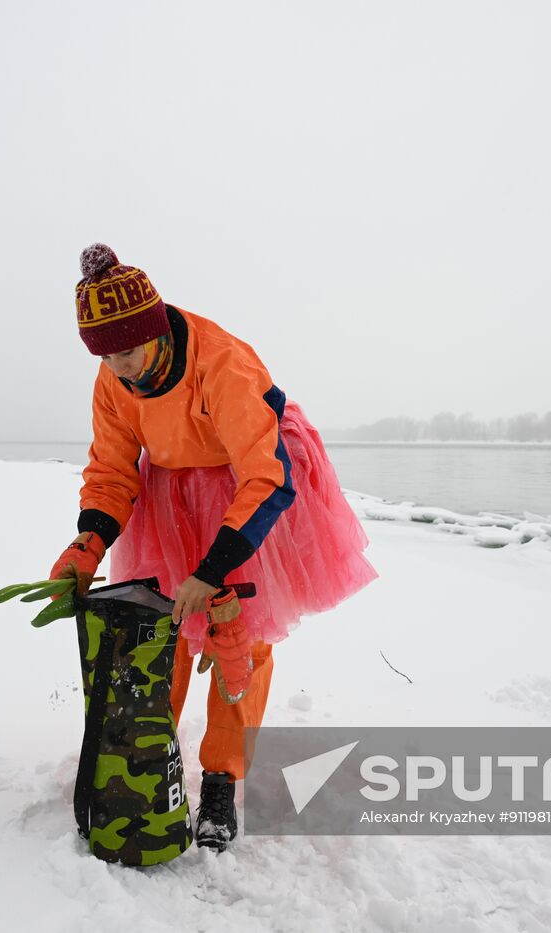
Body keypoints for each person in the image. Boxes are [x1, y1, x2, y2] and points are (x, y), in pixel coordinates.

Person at [50, 243, 376, 851]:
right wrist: (86, 546)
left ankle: (223, 776)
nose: (117, 367)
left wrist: (213, 567)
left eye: (126, 351)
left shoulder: (221, 362)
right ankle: (148, 750)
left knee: (240, 637)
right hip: (171, 491)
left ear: (153, 331)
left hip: (251, 481)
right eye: (103, 355)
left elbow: (265, 475)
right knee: (162, 626)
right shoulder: (113, 376)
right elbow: (114, 471)